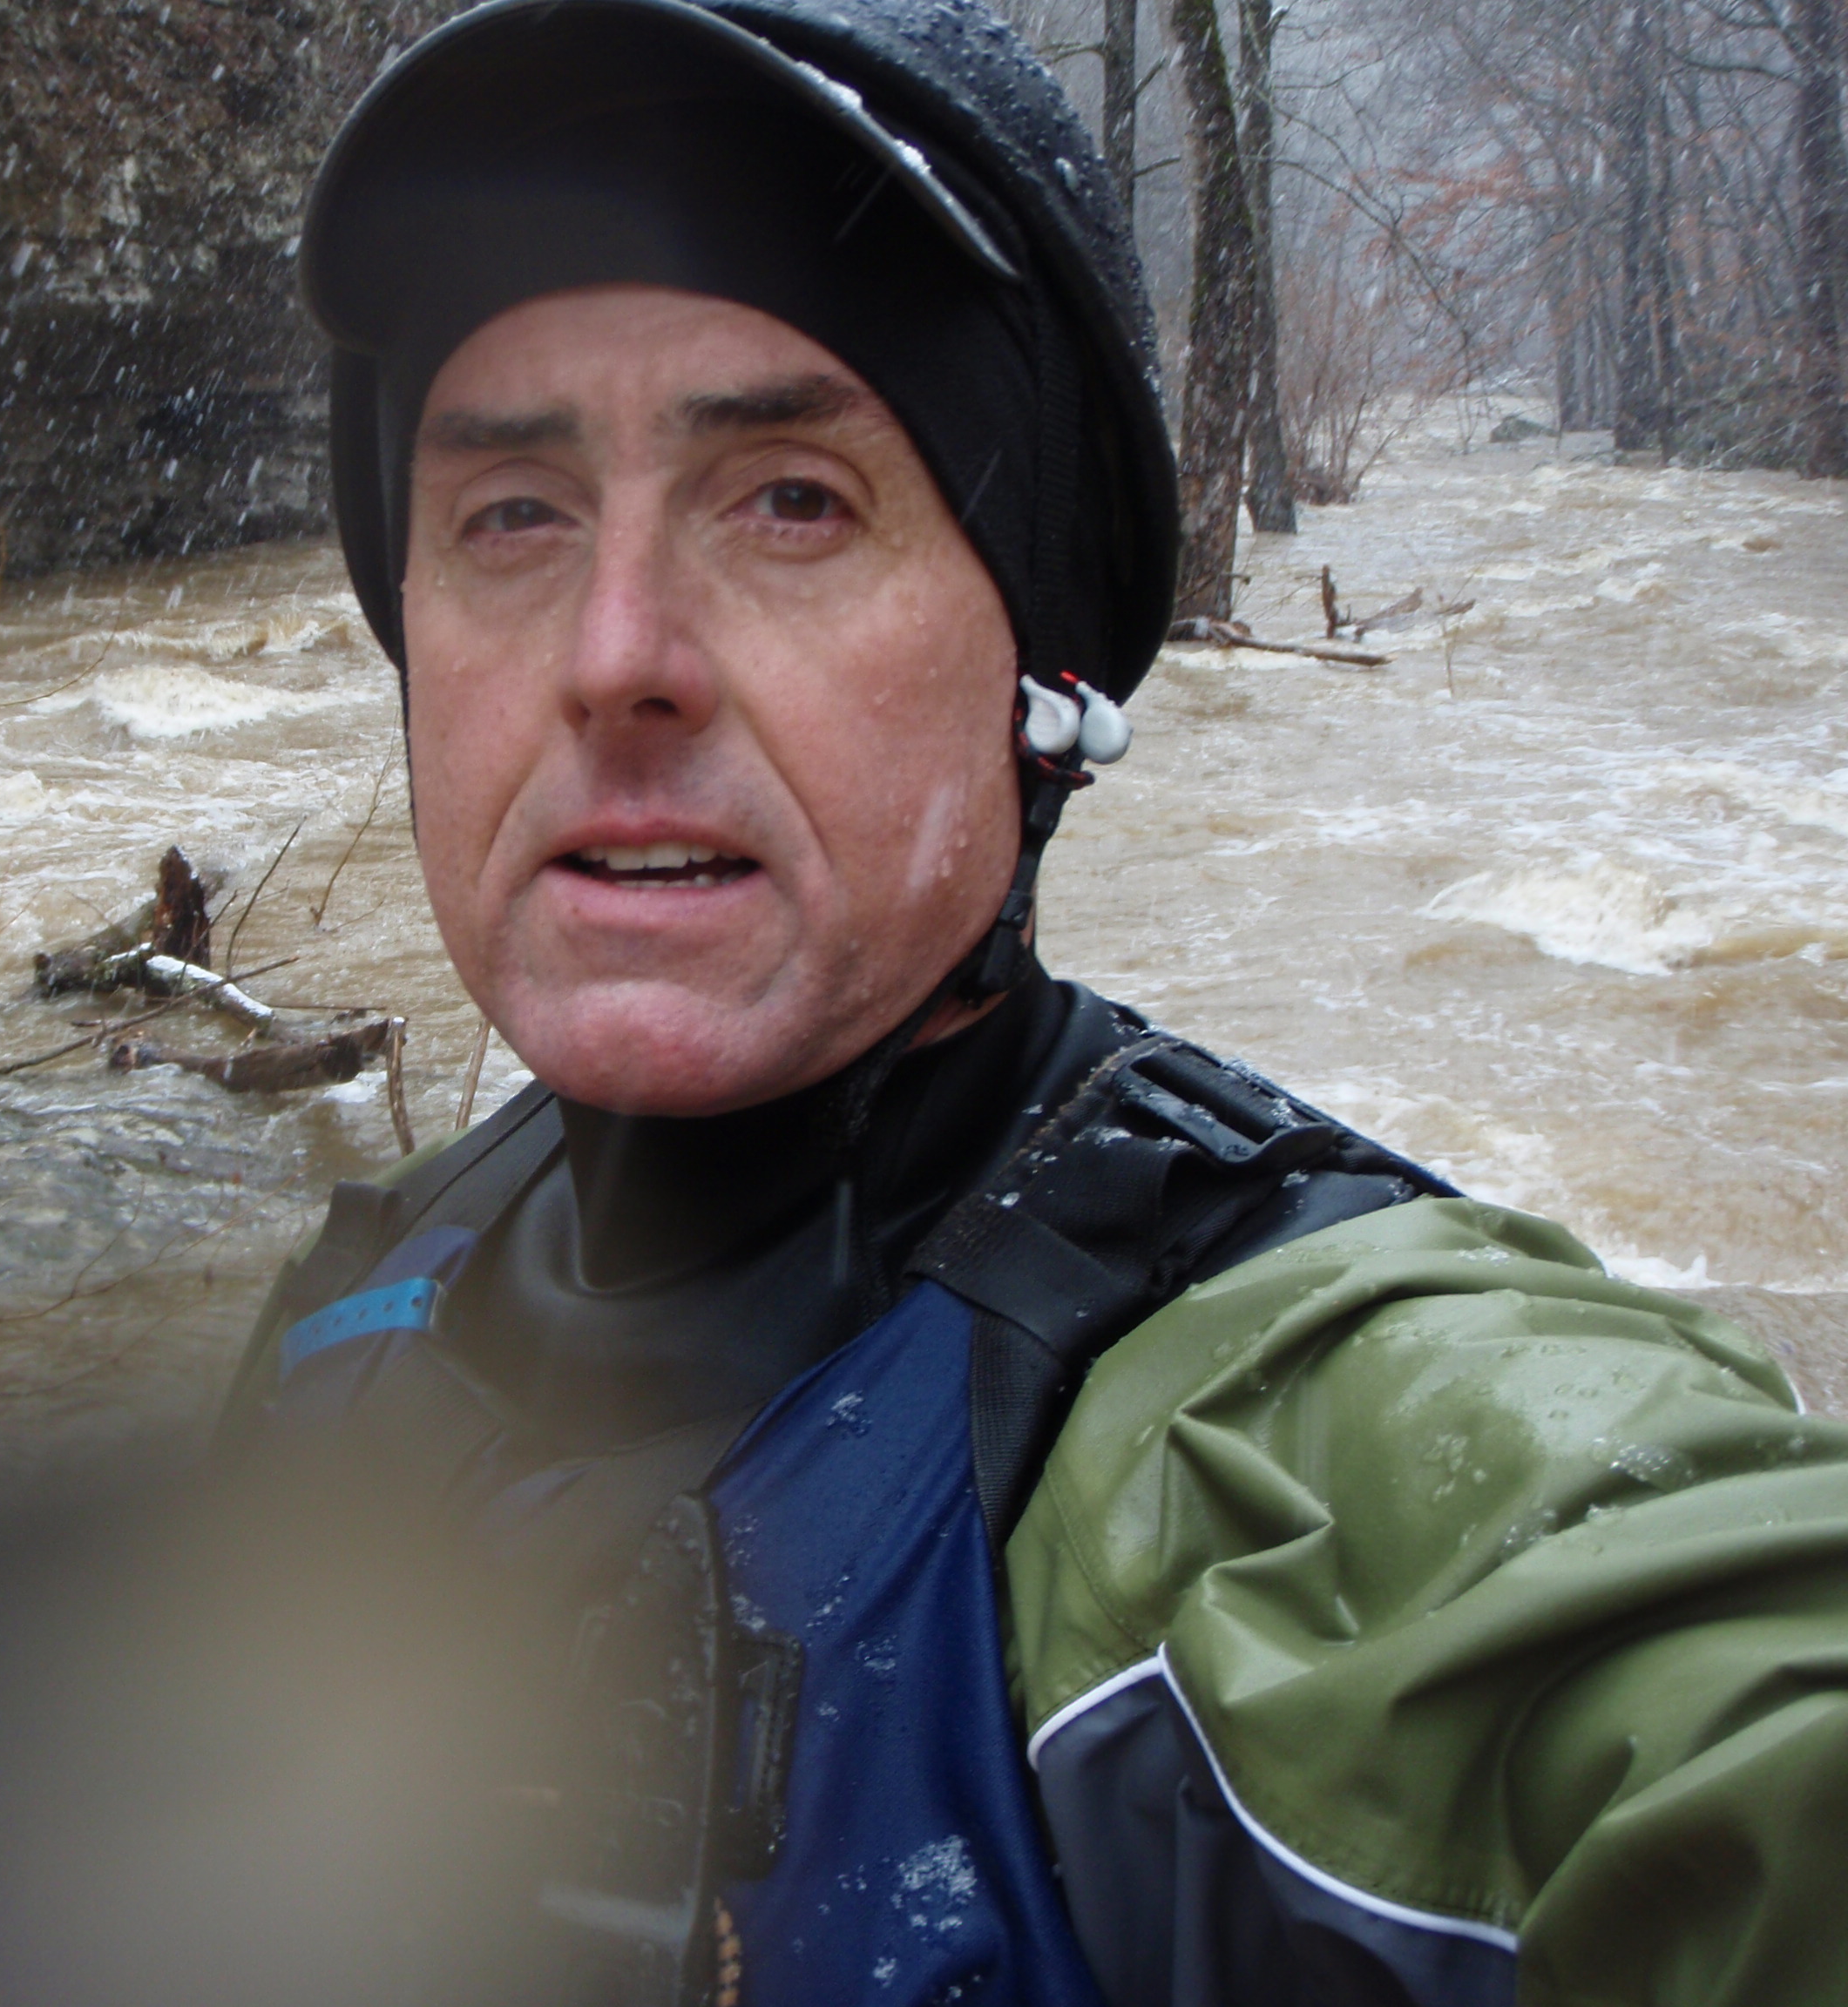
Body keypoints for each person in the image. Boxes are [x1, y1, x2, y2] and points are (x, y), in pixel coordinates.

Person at [213, 0, 1848, 2002]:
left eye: (791, 500)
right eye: (513, 516)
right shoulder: (360, 1300)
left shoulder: (1307, 1468)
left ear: (1042, 676)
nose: (613, 656)